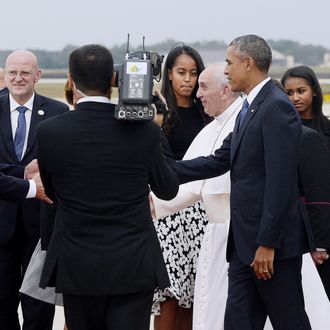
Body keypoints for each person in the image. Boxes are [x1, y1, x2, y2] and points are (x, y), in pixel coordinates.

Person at [35, 44, 179, 330]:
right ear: (114, 79)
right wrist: (155, 126)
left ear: (71, 80)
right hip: (133, 261)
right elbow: (168, 189)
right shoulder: (144, 131)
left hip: (77, 262)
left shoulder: (49, 132)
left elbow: (52, 193)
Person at [175, 35, 314, 330]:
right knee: (238, 322)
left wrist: (267, 242)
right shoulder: (249, 107)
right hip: (242, 246)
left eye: (229, 62)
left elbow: (280, 182)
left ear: (248, 64)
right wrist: (162, 170)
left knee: (289, 321)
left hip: (269, 247)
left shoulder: (276, 107)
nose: (226, 70)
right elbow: (218, 160)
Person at [151, 62, 242, 330]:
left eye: (203, 86)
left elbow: (204, 172)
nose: (198, 94)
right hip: (216, 235)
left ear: (225, 90)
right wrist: (147, 200)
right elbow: (192, 186)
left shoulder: (241, 120)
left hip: (237, 233)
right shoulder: (214, 125)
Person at [0, 50, 69, 330]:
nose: (18, 78)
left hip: (41, 228)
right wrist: (22, 175)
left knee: (39, 310)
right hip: (1, 228)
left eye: (25, 72)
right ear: (4, 74)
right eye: (12, 72)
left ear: (37, 76)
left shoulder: (58, 113)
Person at [152, 44, 210, 330]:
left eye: (194, 72)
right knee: (170, 296)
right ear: (169, 74)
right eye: (181, 72)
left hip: (203, 212)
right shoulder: (158, 113)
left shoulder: (207, 113)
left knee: (197, 297)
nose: (188, 79)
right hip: (166, 212)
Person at [281, 65, 330, 150]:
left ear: (314, 91)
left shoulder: (327, 128)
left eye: (301, 91)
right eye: (289, 93)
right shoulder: (281, 128)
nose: (295, 98)